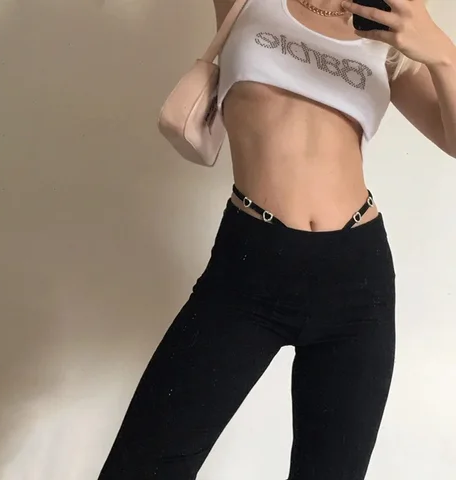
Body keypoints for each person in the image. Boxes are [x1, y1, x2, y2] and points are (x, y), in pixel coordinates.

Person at [98, 0, 456, 479]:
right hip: (250, 263)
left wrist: (442, 53)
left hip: (356, 277)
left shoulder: (390, 20)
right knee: (142, 465)